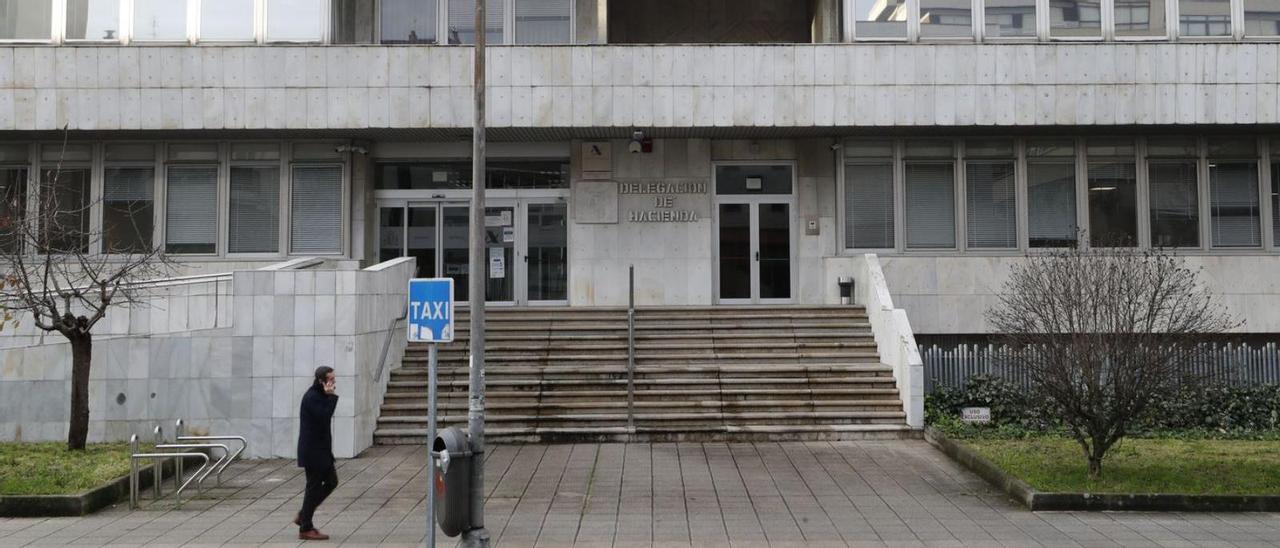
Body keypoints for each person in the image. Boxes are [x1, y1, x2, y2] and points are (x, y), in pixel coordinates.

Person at [295, 366, 339, 541]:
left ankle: (304, 515)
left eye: (334, 380)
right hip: (313, 451)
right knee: (313, 487)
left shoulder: (320, 395)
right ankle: (305, 527)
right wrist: (331, 397)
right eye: (331, 380)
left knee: (331, 482)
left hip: (322, 450)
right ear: (321, 381)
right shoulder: (312, 397)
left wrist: (329, 396)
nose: (333, 383)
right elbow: (325, 416)